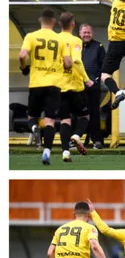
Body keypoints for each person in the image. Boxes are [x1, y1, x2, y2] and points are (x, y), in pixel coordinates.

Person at [19, 8, 72, 165]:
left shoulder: (31, 36)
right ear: (54, 22)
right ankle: (47, 152)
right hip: (54, 85)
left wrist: (24, 68)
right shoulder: (61, 40)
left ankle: (34, 127)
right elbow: (68, 63)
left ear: (40, 20)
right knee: (49, 121)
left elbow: (22, 55)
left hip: (36, 83)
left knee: (32, 117)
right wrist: (63, 66)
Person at [56, 12, 93, 163]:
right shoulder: (75, 40)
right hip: (75, 85)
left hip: (58, 86)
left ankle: (65, 152)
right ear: (73, 25)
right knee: (84, 116)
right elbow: (76, 61)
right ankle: (77, 136)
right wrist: (87, 79)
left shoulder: (54, 39)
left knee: (65, 120)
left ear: (60, 25)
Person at [79, 24, 106, 149]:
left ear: (92, 33)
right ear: (80, 33)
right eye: (84, 32)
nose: (86, 35)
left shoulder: (99, 47)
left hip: (93, 87)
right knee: (77, 114)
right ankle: (76, 140)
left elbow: (103, 66)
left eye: (88, 32)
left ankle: (97, 140)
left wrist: (95, 80)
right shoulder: (76, 46)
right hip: (77, 87)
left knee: (94, 114)